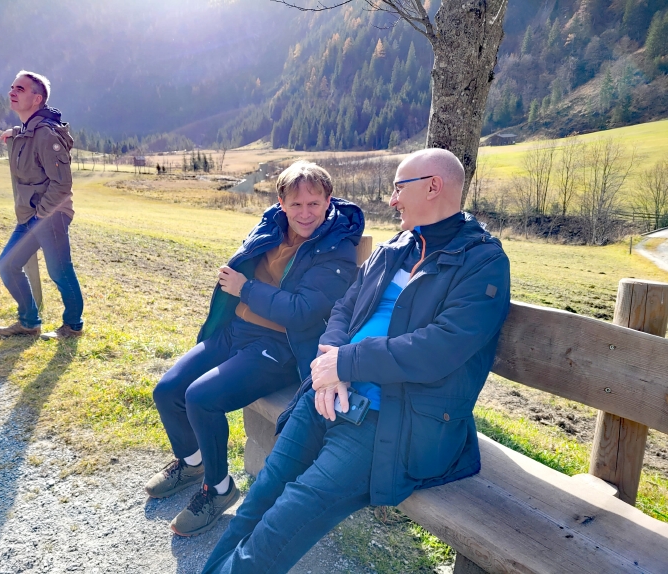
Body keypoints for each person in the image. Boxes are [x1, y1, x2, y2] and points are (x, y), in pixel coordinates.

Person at [203, 148, 511, 573]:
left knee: (283, 521)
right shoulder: (396, 248)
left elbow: (442, 347)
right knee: (260, 498)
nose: (392, 199)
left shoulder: (482, 262)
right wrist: (331, 370)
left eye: (399, 188)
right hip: (328, 395)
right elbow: (344, 309)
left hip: (390, 421)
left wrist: (346, 364)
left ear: (433, 187)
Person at [146, 161, 365, 537]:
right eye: (296, 205)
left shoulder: (337, 248)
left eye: (314, 203)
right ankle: (193, 462)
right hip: (235, 330)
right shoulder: (272, 223)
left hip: (280, 347)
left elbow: (302, 311)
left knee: (201, 398)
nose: (305, 213)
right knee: (167, 391)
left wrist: (244, 288)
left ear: (328, 201)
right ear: (281, 203)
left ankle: (218, 490)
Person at [0, 70, 84, 340]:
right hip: (30, 215)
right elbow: (28, 138)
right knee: (8, 265)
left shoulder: (46, 134)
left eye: (20, 89)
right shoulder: (28, 130)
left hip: (50, 214)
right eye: (12, 87)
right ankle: (29, 322)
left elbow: (62, 184)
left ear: (37, 99)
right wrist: (15, 133)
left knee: (59, 271)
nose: (12, 92)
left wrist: (41, 215)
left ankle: (73, 326)